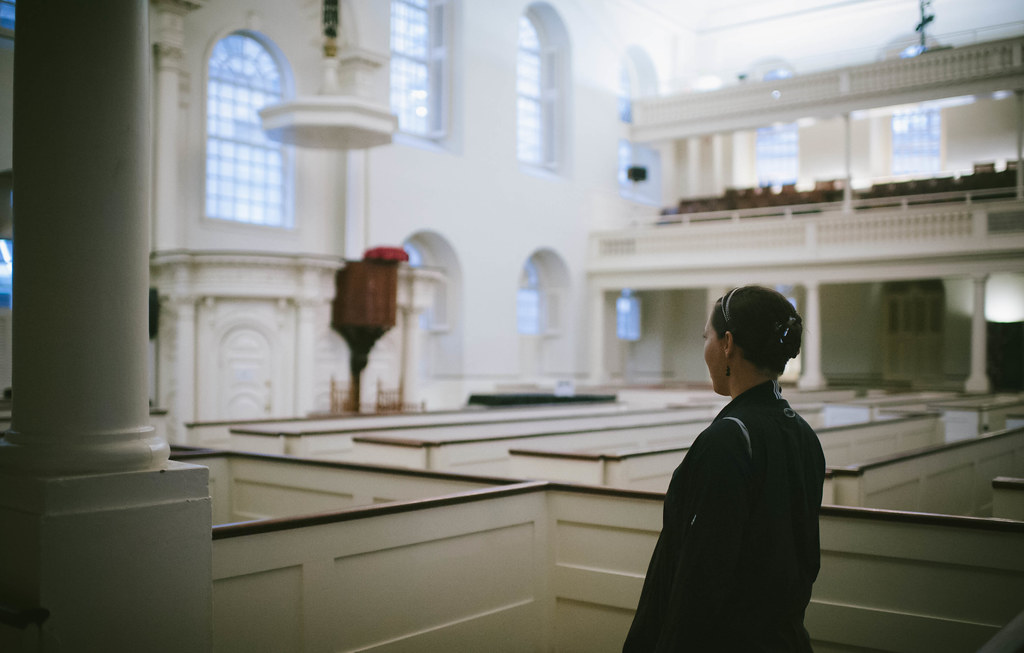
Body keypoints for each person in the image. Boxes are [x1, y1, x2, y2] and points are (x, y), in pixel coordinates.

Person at [623, 285, 826, 652]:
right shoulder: (803, 435)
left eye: (707, 337)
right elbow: (806, 561)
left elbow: (698, 584)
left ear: (728, 343)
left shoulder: (728, 440)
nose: (706, 348)